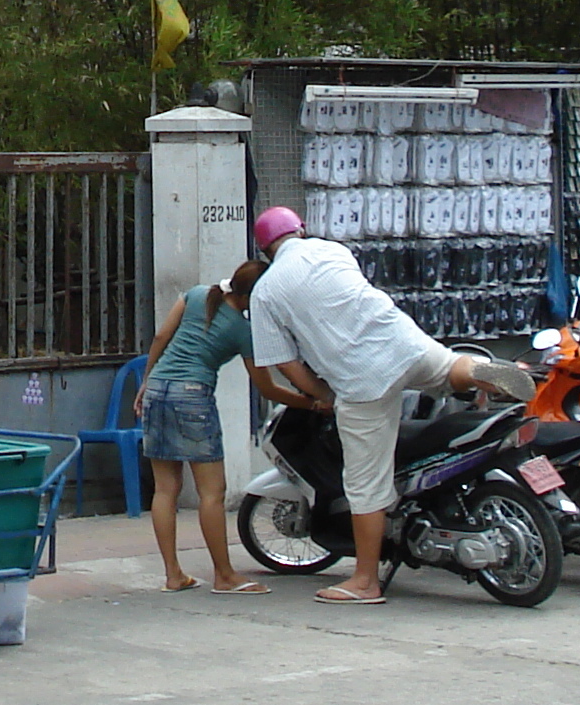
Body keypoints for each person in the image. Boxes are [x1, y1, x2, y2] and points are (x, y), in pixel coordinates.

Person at [244, 207, 534, 605]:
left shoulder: (265, 291)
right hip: (401, 339)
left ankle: (364, 581)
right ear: (302, 230)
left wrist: (321, 396)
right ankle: (483, 371)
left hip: (360, 378)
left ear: (264, 249)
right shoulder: (333, 251)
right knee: (449, 368)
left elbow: (284, 363)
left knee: (365, 485)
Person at [134, 259, 271, 594]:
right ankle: (224, 576)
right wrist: (308, 400)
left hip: (158, 389)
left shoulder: (196, 294)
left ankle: (173, 575)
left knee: (165, 489)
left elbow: (160, 337)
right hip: (193, 396)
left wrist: (146, 383)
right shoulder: (242, 330)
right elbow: (265, 386)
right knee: (212, 492)